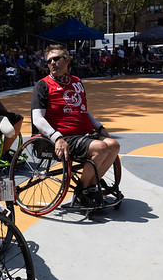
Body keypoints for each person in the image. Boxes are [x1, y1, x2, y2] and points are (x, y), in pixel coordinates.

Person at [31, 44, 120, 207]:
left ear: (67, 60)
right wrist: (56, 137)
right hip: (63, 137)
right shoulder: (43, 85)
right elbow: (37, 119)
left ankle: (90, 187)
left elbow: (83, 110)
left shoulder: (77, 82)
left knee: (113, 145)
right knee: (100, 148)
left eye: (56, 58)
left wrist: (99, 127)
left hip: (85, 134)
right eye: (49, 61)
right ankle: (81, 191)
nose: (52, 63)